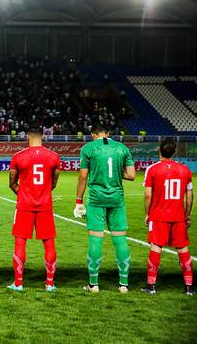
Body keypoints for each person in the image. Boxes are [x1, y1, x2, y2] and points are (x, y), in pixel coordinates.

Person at [74, 123, 135, 293]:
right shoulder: (122, 148)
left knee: (95, 239)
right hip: (117, 199)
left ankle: (93, 285)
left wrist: (78, 200)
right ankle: (124, 285)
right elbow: (131, 175)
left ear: (93, 135)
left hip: (96, 199)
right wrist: (117, 171)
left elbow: (83, 175)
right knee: (120, 239)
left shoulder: (88, 148)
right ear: (108, 133)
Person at [8, 126, 60, 292]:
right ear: (42, 137)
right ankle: (50, 284)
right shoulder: (54, 157)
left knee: (20, 242)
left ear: (28, 137)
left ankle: (18, 283)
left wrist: (22, 192)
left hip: (24, 205)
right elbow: (54, 182)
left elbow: (12, 183)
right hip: (45, 205)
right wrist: (44, 192)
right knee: (49, 243)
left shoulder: (18, 157)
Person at [141, 138, 193, 296]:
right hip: (178, 216)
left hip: (158, 216)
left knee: (156, 247)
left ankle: (151, 286)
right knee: (183, 249)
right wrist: (187, 215)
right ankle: (189, 287)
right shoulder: (185, 170)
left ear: (159, 150)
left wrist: (147, 213)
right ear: (175, 151)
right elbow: (189, 195)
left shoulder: (152, 169)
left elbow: (148, 195)